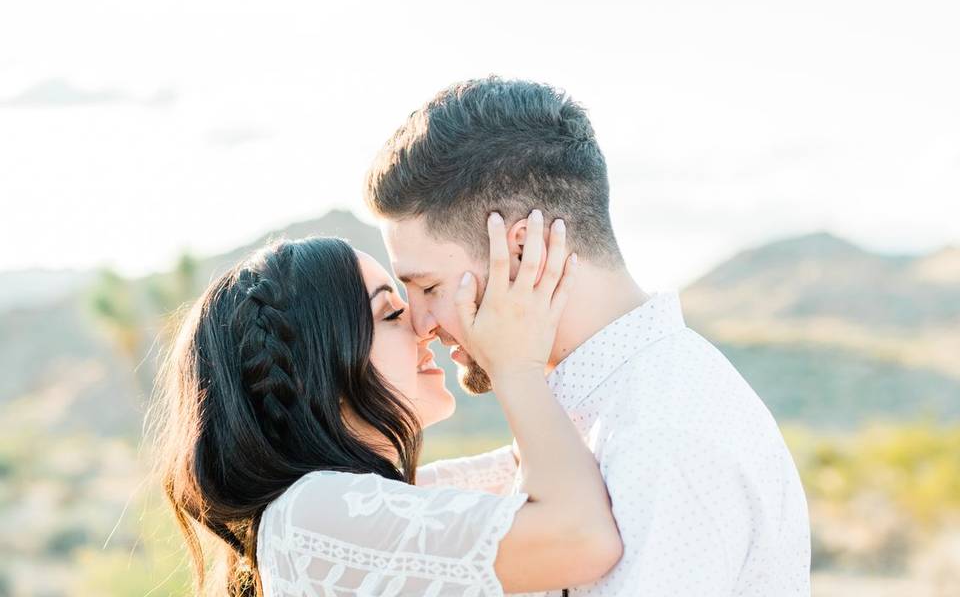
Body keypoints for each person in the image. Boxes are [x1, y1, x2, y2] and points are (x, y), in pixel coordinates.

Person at [364, 76, 812, 595]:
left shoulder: (663, 437)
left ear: (522, 249)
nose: (422, 323)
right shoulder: (594, 410)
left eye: (429, 287)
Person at [149, 221, 622, 596]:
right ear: (319, 371)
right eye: (391, 314)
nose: (424, 328)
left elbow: (549, 466)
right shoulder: (313, 513)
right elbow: (583, 538)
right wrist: (515, 367)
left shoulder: (366, 504)